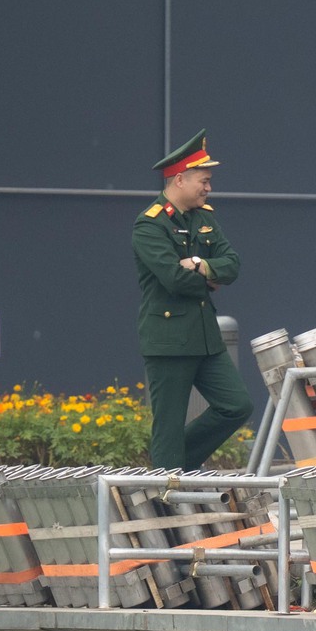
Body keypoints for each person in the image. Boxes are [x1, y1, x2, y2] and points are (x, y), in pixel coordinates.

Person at [134, 129, 253, 470]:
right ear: (180, 179)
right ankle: (165, 495)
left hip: (205, 338)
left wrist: (202, 265)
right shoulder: (149, 225)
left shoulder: (204, 218)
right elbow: (173, 278)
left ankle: (173, 466)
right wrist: (211, 282)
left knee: (237, 405)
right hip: (169, 340)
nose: (209, 188)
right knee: (168, 426)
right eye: (204, 180)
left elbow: (232, 264)